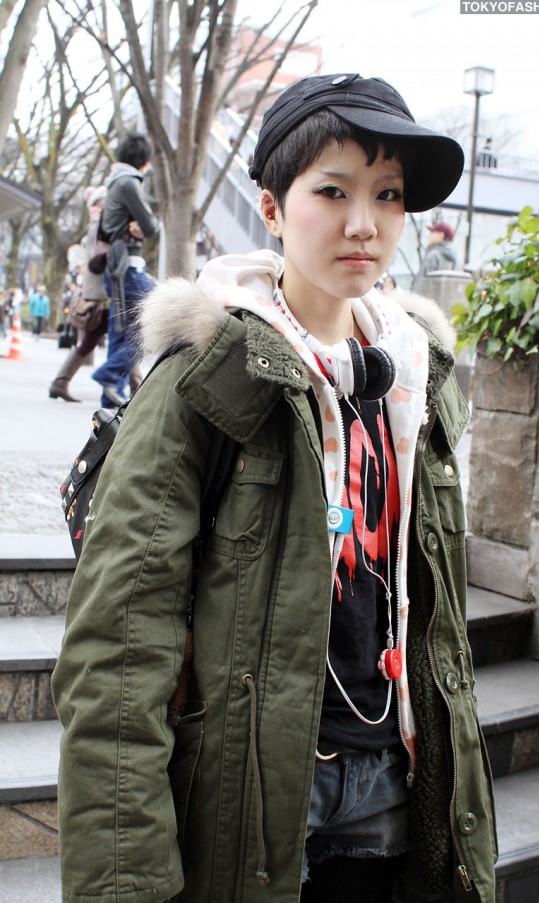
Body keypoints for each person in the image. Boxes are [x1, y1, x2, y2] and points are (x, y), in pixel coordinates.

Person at [52, 74, 497, 903]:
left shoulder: (418, 386)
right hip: (251, 801)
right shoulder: (208, 379)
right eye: (332, 190)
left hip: (396, 786)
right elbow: (119, 652)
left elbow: (439, 630)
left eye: (388, 195)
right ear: (270, 207)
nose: (364, 223)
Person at [91, 132, 158, 407]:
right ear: (143, 160)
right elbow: (151, 225)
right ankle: (108, 374)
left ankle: (109, 400)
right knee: (155, 317)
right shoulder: (129, 183)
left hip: (115, 268)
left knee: (120, 332)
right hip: (128, 266)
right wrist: (142, 227)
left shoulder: (113, 183)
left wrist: (135, 227)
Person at [49, 186, 110, 402]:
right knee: (123, 339)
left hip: (99, 294)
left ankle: (60, 382)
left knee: (110, 340)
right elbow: (97, 258)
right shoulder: (99, 225)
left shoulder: (96, 223)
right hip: (102, 295)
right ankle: (133, 384)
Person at [412, 221, 457, 291]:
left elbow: (422, 285)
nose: (430, 236)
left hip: (422, 300)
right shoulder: (455, 258)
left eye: (432, 232)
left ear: (441, 235)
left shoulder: (433, 256)